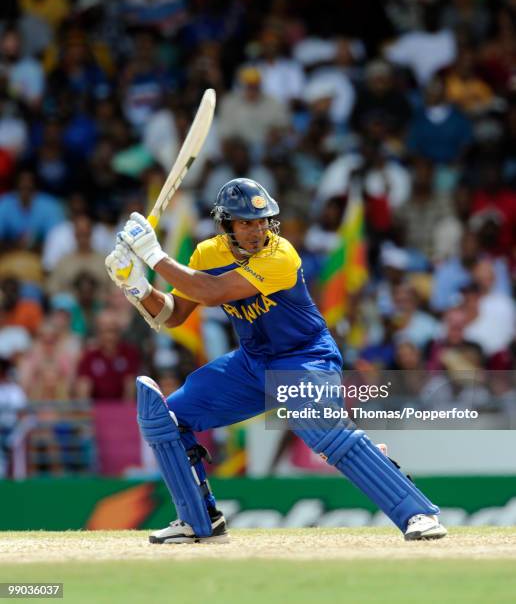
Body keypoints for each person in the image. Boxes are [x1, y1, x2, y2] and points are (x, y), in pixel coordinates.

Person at [105, 178, 447, 544]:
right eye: (246, 223)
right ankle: (199, 522)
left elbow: (215, 291)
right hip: (252, 364)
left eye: (262, 221)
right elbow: (173, 315)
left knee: (318, 424)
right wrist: (135, 285)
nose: (257, 231)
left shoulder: (280, 254)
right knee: (168, 420)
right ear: (226, 225)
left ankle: (417, 513)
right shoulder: (208, 253)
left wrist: (154, 255)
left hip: (305, 356)